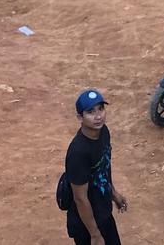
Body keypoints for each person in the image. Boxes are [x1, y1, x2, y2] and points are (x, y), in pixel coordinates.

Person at [65, 90, 128, 245]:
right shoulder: (78, 153)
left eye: (101, 108)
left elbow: (104, 168)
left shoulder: (103, 132)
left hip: (104, 214)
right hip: (86, 225)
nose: (98, 116)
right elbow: (80, 198)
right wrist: (94, 234)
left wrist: (113, 193)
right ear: (80, 117)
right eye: (90, 112)